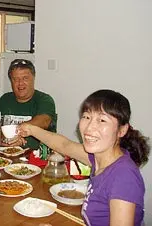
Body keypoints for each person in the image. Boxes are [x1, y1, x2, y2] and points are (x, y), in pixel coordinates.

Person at [18, 89, 150, 226]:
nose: (89, 127)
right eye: (86, 117)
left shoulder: (124, 176)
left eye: (102, 120)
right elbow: (64, 145)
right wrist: (31, 129)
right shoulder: (99, 158)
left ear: (122, 130)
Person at [0, 58, 57, 149]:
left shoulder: (45, 100)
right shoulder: (4, 99)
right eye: (15, 79)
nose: (20, 83)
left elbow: (44, 121)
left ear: (33, 78)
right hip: (6, 157)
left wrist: (15, 133)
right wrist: (3, 140)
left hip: (36, 157)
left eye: (25, 78)